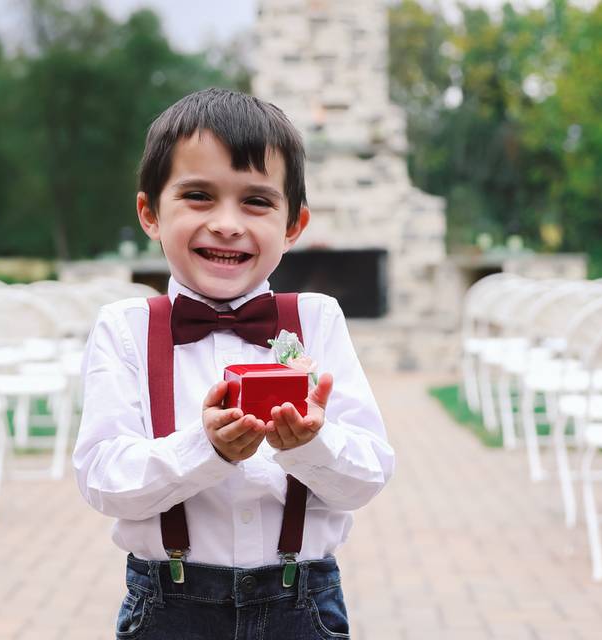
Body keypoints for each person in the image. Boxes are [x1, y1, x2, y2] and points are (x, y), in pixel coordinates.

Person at [72, 87, 395, 639]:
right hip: (168, 607)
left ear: (293, 225)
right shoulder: (125, 329)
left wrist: (310, 447)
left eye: (256, 201)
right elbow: (104, 479)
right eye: (198, 195)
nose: (227, 223)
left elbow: (367, 476)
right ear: (150, 212)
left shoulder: (317, 320)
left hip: (302, 604)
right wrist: (206, 449)